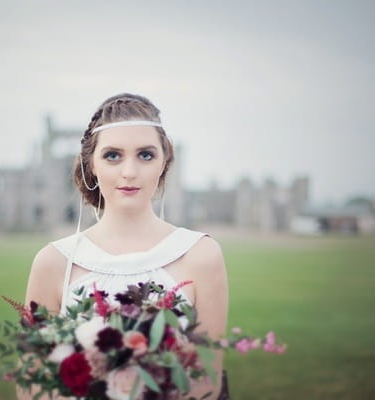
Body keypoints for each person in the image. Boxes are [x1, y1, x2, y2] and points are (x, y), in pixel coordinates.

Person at [17, 93, 229, 400]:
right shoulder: (53, 263)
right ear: (91, 165)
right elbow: (31, 385)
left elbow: (208, 381)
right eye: (113, 155)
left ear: (164, 163)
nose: (129, 171)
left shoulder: (201, 255)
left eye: (145, 155)